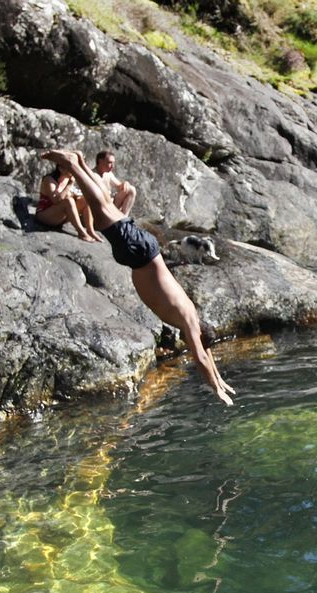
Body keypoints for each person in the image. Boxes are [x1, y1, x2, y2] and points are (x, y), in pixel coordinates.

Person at [42, 149, 235, 405]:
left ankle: (78, 163)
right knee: (101, 208)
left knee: (106, 207)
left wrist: (221, 381)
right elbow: (200, 357)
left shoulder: (192, 319)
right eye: (194, 340)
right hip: (139, 253)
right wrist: (216, 390)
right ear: (197, 334)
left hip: (143, 251)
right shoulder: (188, 320)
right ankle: (72, 164)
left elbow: (205, 352)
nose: (189, 342)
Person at [35, 164, 99, 243]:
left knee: (86, 200)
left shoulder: (67, 179)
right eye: (70, 168)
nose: (73, 171)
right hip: (45, 215)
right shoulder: (49, 180)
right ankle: (81, 233)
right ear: (61, 169)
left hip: (60, 216)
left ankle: (90, 231)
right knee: (69, 201)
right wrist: (69, 185)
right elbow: (56, 200)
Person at [90, 150, 137, 215]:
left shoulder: (108, 174)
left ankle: (124, 217)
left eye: (113, 163)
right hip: (100, 207)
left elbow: (120, 186)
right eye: (110, 163)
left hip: (109, 204)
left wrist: (125, 184)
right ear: (100, 161)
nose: (112, 166)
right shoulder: (93, 174)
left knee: (131, 189)